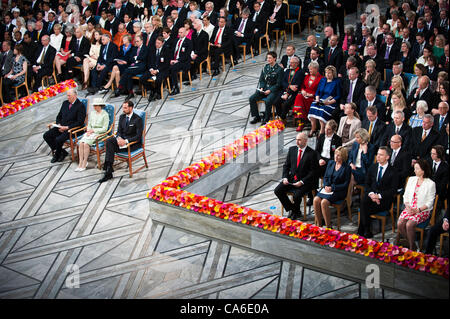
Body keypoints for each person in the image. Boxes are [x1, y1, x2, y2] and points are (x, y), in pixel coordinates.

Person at [274, 132, 319, 220]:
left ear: (305, 141)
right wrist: (285, 177)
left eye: (299, 140)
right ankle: (294, 209)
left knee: (297, 195)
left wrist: (302, 182)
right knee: (278, 190)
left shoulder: (312, 153)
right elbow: (286, 165)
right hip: (292, 179)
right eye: (296, 140)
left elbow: (313, 172)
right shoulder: (292, 150)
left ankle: (295, 211)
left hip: (305, 181)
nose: (297, 142)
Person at [357, 146, 398, 238]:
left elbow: (393, 190)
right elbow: (367, 184)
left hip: (384, 200)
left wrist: (378, 196)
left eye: (381, 155)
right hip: (371, 197)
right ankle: (366, 230)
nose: (378, 157)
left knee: (364, 206)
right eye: (378, 154)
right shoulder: (373, 167)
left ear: (387, 157)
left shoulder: (393, 171)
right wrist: (372, 195)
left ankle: (362, 230)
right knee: (364, 202)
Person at [99, 100, 143, 183]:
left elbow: (138, 136)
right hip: (121, 142)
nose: (123, 109)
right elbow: (119, 131)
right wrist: (119, 138)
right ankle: (109, 169)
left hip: (131, 144)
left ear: (131, 108)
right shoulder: (122, 117)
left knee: (110, 147)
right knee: (109, 141)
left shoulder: (137, 119)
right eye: (123, 107)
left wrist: (125, 141)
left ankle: (108, 169)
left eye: (125, 108)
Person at [397, 159, 436, 251]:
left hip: (422, 210)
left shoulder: (431, 184)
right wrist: (407, 206)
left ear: (423, 170)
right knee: (400, 223)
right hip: (409, 208)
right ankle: (413, 244)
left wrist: (417, 210)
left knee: (409, 225)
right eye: (414, 168)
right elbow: (405, 195)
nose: (414, 170)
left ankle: (411, 248)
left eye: (417, 169)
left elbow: (430, 202)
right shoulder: (411, 179)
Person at [43, 88, 86, 163]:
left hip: (72, 129)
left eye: (69, 96)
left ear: (75, 96)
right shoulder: (65, 103)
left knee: (58, 139)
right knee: (46, 135)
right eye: (67, 95)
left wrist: (67, 127)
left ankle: (57, 154)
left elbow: (80, 122)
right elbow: (59, 116)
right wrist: (58, 124)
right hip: (61, 126)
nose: (67, 97)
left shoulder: (80, 106)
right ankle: (63, 152)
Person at [313, 146, 351, 229]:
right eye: (335, 155)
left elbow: (345, 184)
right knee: (316, 199)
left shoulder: (347, 168)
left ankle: (328, 226)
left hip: (338, 191)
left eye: (338, 155)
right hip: (327, 188)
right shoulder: (330, 163)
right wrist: (326, 185)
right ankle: (319, 225)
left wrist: (332, 188)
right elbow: (325, 177)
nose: (336, 157)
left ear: (343, 156)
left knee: (324, 202)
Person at [249, 51, 284, 125]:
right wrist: (261, 87)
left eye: (270, 58)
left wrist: (270, 90)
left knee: (268, 101)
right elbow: (261, 79)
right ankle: (256, 116)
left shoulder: (279, 69)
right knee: (252, 98)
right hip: (264, 88)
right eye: (267, 58)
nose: (268, 59)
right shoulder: (265, 67)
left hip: (274, 90)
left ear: (274, 58)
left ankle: (266, 118)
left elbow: (278, 84)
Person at [76, 98, 110, 172]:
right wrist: (88, 130)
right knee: (81, 143)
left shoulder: (105, 115)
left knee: (85, 144)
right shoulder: (92, 113)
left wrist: (93, 130)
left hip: (100, 134)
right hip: (90, 133)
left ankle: (85, 162)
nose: (94, 107)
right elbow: (89, 124)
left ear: (100, 106)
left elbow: (105, 129)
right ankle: (80, 162)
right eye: (94, 106)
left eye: (95, 105)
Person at [308, 65, 341, 137]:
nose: (327, 74)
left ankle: (322, 130)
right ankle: (313, 128)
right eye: (326, 73)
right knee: (313, 106)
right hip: (321, 99)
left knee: (322, 110)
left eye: (329, 73)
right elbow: (317, 91)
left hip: (330, 100)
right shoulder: (323, 80)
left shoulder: (337, 82)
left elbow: (338, 95)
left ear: (333, 74)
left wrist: (329, 102)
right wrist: (317, 99)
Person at [292, 61, 323, 132]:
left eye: (311, 69)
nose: (309, 71)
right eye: (309, 69)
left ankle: (310, 124)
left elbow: (321, 90)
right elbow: (302, 86)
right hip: (304, 94)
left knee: (301, 99)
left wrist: (312, 94)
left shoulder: (321, 78)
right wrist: (302, 91)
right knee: (299, 96)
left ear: (316, 69)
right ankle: (301, 122)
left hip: (314, 97)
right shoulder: (307, 76)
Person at [140, 36, 171, 101]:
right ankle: (152, 89)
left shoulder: (166, 50)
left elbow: (166, 64)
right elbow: (149, 61)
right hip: (152, 69)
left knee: (158, 79)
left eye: (159, 43)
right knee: (142, 78)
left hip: (162, 69)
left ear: (162, 43)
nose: (157, 44)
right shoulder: (152, 49)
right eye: (156, 43)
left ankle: (158, 93)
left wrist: (157, 70)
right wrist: (151, 69)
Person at [273, 56, 302, 124]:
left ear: (297, 63)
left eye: (292, 63)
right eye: (290, 62)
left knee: (286, 103)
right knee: (276, 102)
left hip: (294, 93)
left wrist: (288, 93)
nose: (290, 64)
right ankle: (281, 118)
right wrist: (289, 86)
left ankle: (282, 118)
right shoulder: (287, 71)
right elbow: (283, 82)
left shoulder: (300, 72)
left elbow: (296, 86)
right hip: (285, 90)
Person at [118, 34, 149, 99]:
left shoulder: (145, 48)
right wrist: (137, 58)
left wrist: (136, 57)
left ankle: (121, 86)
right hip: (134, 65)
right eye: (135, 41)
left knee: (127, 70)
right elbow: (130, 58)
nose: (136, 43)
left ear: (141, 41)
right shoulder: (134, 48)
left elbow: (144, 58)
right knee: (129, 74)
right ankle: (130, 92)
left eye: (137, 41)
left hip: (141, 66)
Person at [168, 27, 192, 95]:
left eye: (181, 32)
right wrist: (171, 59)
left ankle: (176, 88)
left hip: (183, 61)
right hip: (174, 60)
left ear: (185, 33)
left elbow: (187, 55)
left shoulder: (188, 42)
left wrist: (177, 60)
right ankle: (170, 84)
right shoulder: (176, 40)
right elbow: (172, 51)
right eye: (179, 32)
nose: (179, 34)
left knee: (173, 68)